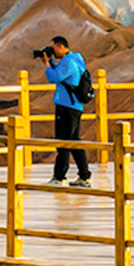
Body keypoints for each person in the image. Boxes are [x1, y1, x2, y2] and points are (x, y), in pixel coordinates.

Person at [43, 36, 91, 187]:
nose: (53, 52)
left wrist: (47, 64)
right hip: (73, 106)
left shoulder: (68, 62)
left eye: (53, 48)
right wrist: (50, 63)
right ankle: (84, 177)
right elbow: (60, 74)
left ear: (61, 47)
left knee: (63, 142)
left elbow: (55, 77)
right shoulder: (74, 60)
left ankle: (59, 178)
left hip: (67, 106)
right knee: (74, 141)